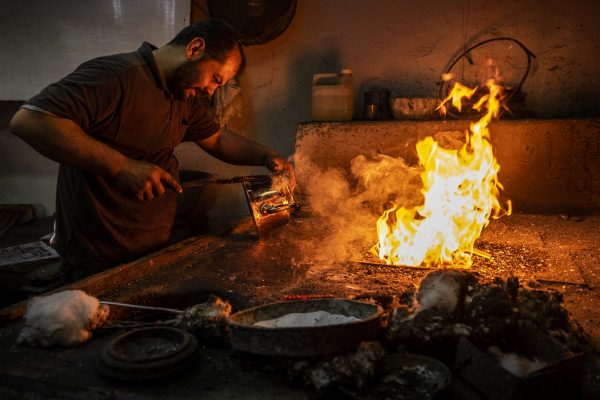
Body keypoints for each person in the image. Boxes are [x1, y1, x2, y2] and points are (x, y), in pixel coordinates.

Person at [9, 19, 295, 283]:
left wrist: (267, 156)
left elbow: (217, 139)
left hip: (150, 250)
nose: (210, 91)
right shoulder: (117, 76)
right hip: (95, 258)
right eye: (215, 79)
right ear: (195, 48)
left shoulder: (185, 97)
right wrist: (120, 167)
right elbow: (29, 121)